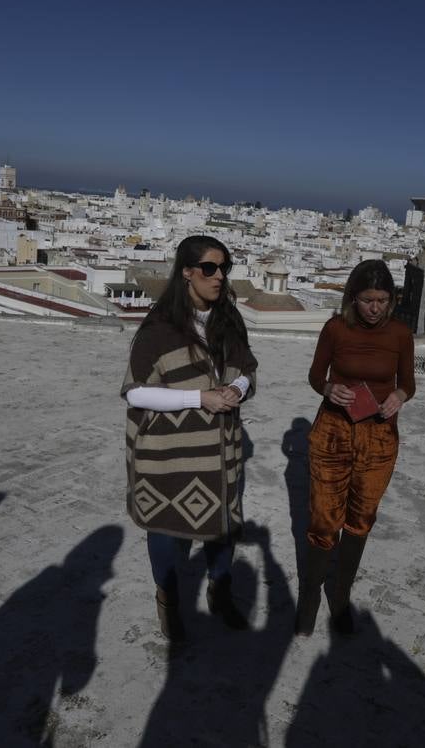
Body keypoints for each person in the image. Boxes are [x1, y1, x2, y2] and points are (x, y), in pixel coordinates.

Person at [121, 235, 258, 642]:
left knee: (222, 527)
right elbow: (135, 391)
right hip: (169, 454)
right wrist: (200, 398)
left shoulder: (228, 320)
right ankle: (169, 601)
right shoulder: (158, 329)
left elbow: (248, 367)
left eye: (224, 269)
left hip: (219, 452)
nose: (219, 277)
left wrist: (240, 387)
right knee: (164, 531)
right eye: (210, 268)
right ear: (186, 272)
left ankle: (220, 591)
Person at [295, 259, 415, 636]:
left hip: (379, 436)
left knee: (361, 519)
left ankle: (340, 596)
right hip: (333, 430)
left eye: (382, 300)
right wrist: (330, 389)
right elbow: (316, 375)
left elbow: (408, 382)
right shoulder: (335, 329)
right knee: (324, 518)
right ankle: (309, 598)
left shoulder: (400, 335)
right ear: (353, 298)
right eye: (367, 300)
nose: (375, 308)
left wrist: (399, 395)